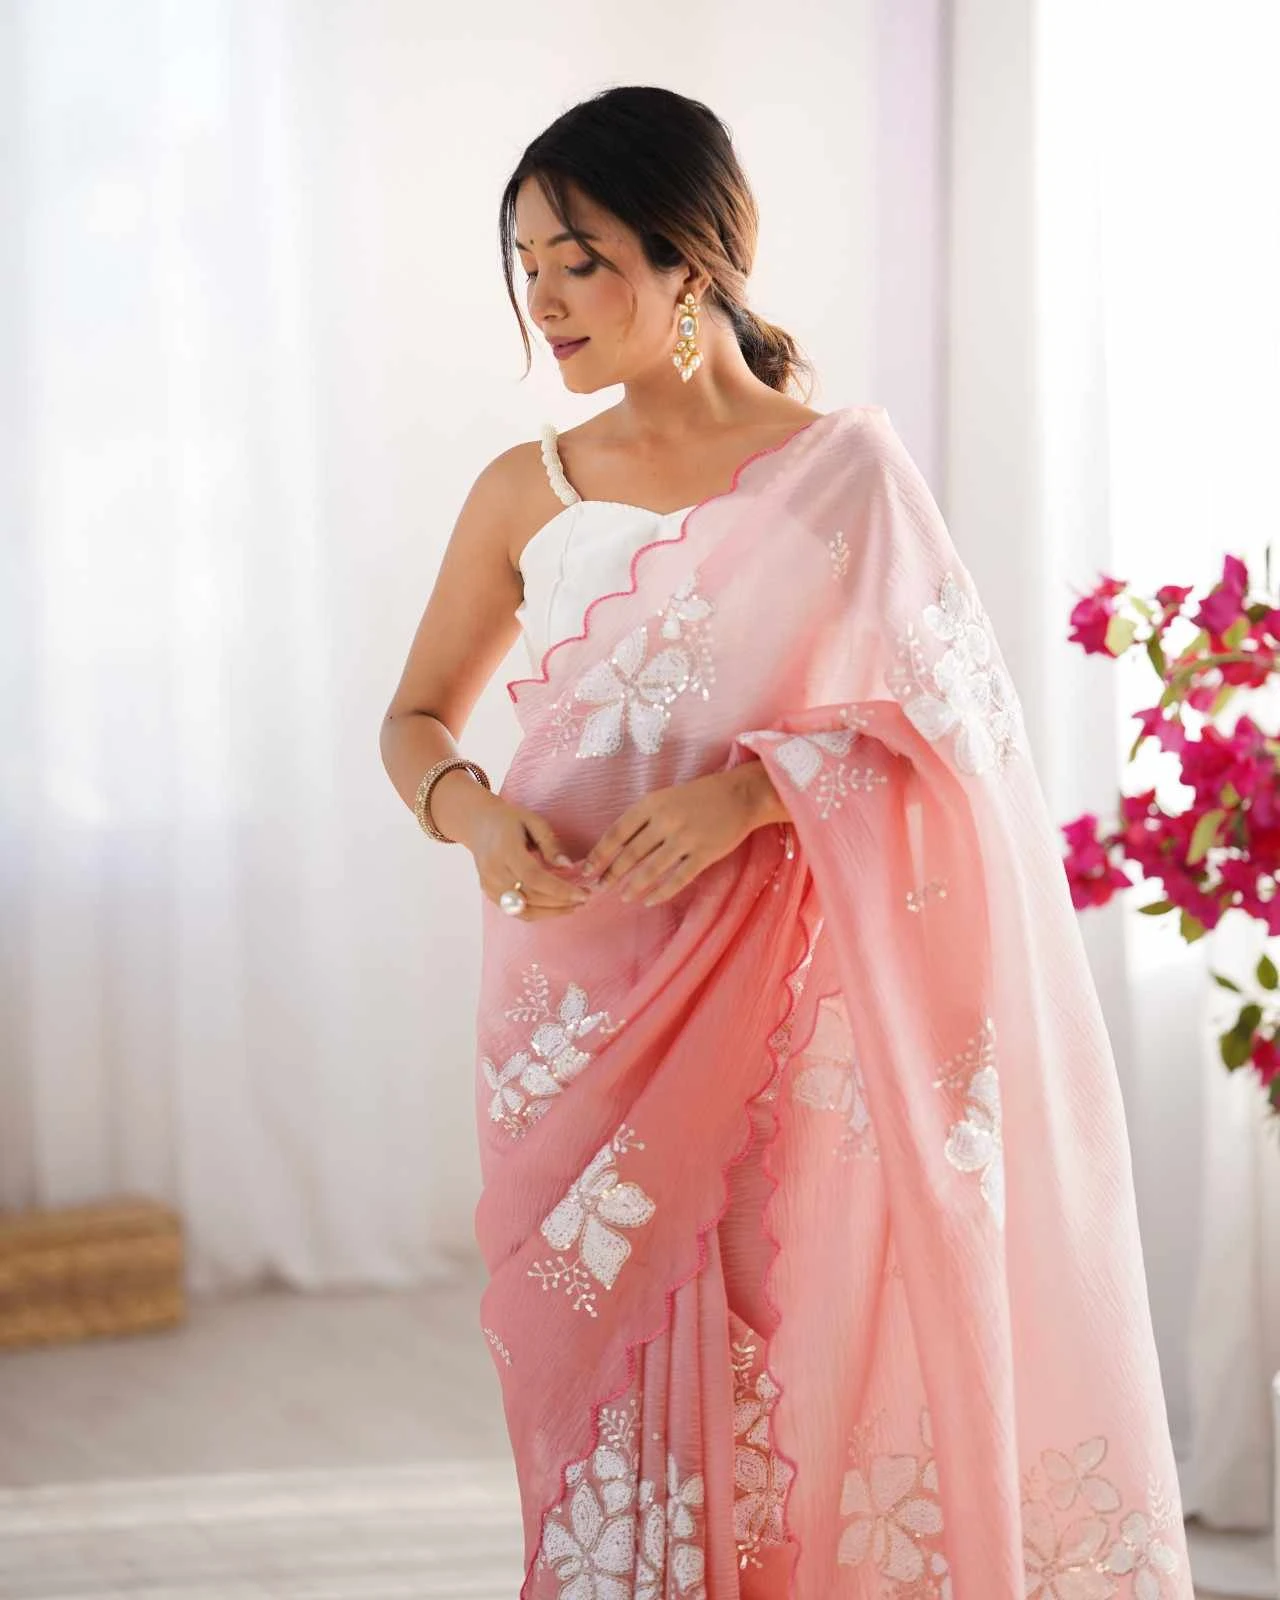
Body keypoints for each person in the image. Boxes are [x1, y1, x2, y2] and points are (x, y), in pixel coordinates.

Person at [379, 85, 1193, 1600]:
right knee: (590, 1377)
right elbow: (416, 719)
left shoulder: (842, 477)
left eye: (581, 260)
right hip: (566, 1005)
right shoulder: (527, 489)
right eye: (527, 265)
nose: (545, 300)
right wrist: (474, 814)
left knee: (781, 1339)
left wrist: (751, 797)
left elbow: (956, 738)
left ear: (689, 260)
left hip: (771, 1004)